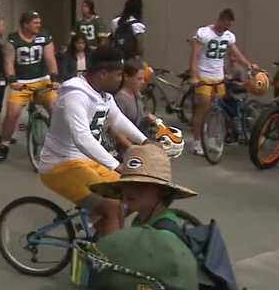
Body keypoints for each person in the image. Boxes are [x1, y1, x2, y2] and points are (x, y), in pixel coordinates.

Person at [38, 46, 183, 236]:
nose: (121, 79)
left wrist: (145, 141)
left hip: (88, 162)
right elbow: (82, 138)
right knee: (113, 208)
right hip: (60, 166)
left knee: (135, 193)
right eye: (118, 75)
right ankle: (109, 259)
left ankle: (97, 226)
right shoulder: (75, 96)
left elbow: (116, 118)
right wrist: (116, 166)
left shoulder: (103, 94)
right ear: (102, 74)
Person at [88, 144, 198, 290]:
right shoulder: (141, 221)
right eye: (127, 184)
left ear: (162, 191)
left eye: (141, 184)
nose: (129, 190)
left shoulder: (166, 234)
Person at [0, 11, 60, 164]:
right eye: (35, 23)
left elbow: (50, 58)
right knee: (12, 114)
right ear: (25, 24)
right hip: (22, 82)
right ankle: (4, 145)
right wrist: (12, 80)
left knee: (56, 109)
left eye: (39, 22)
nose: (39, 25)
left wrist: (54, 78)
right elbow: (8, 61)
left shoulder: (44, 36)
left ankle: (61, 143)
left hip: (43, 80)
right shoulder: (13, 39)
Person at [189, 8, 258, 156]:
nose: (227, 28)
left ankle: (211, 138)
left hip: (219, 78)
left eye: (229, 26)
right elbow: (194, 56)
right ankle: (196, 142)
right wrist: (194, 75)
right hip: (204, 77)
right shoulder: (204, 33)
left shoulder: (228, 36)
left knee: (216, 110)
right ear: (220, 20)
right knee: (203, 109)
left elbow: (236, 53)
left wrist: (248, 65)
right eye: (225, 24)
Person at [114, 58, 158, 132]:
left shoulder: (137, 94)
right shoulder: (120, 99)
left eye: (143, 79)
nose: (143, 82)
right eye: (139, 79)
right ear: (126, 77)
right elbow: (119, 128)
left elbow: (143, 114)